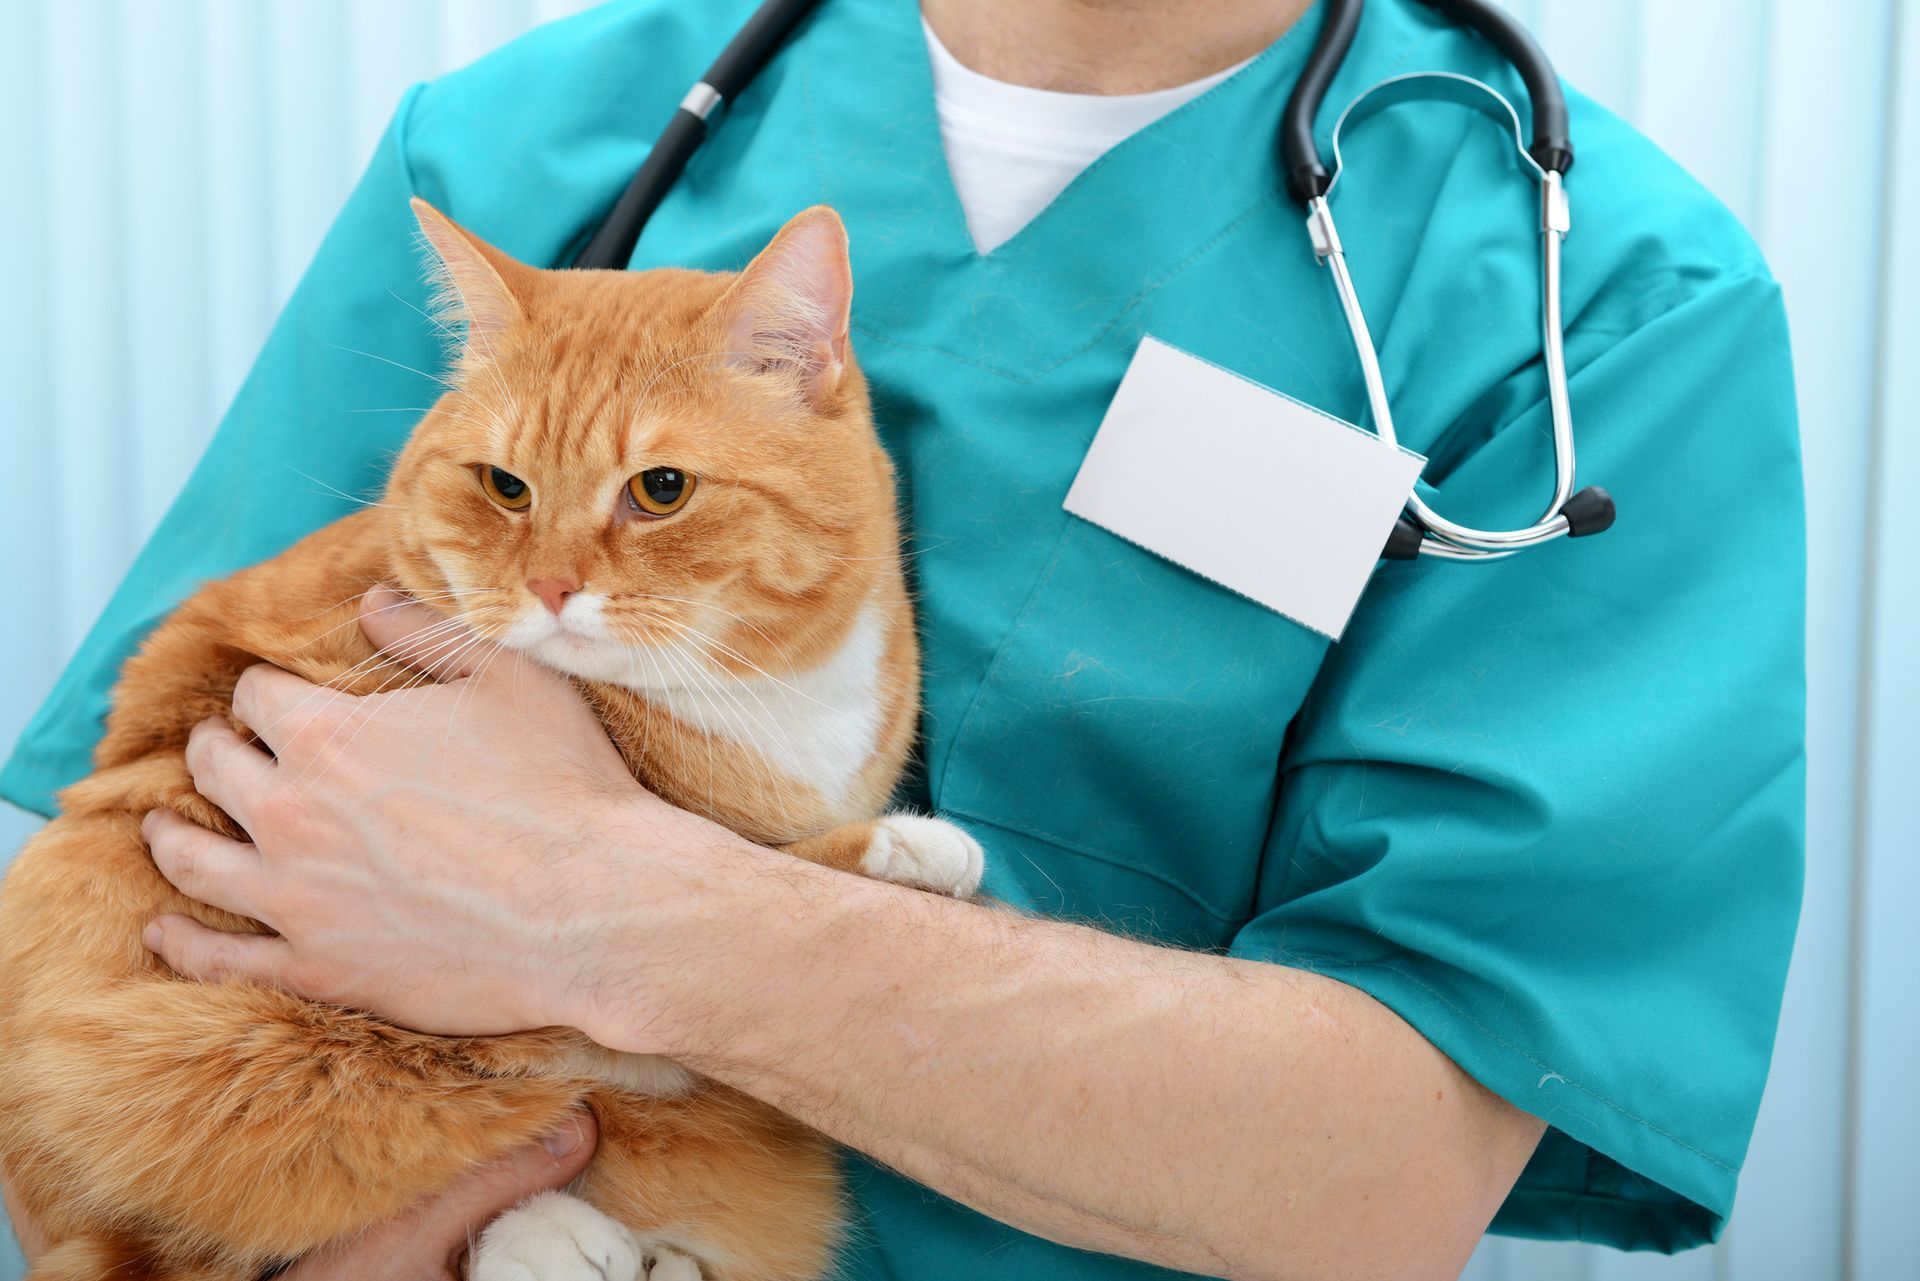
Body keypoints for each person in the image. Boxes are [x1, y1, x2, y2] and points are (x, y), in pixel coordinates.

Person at [0, 0, 1805, 1278]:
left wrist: (605, 903)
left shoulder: (1592, 300)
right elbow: (125, 877)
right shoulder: (530, 145)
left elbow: (1388, 1178)